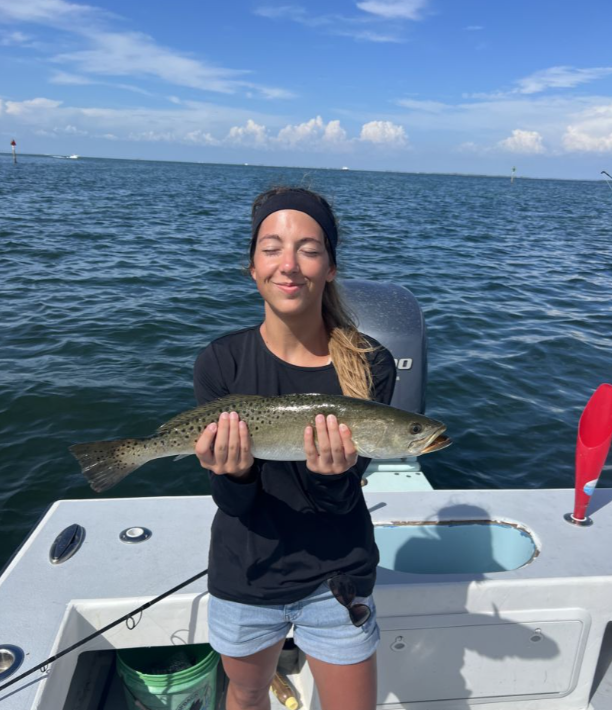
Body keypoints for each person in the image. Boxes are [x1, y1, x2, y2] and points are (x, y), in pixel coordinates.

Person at [193, 186, 396, 710]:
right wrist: (232, 474)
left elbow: (344, 498)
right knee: (246, 691)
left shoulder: (370, 363)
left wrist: (333, 476)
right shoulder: (221, 362)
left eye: (308, 248)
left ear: (330, 265)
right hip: (247, 570)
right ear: (252, 264)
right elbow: (234, 503)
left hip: (338, 576)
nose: (289, 265)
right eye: (272, 247)